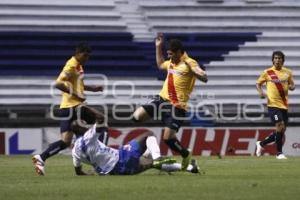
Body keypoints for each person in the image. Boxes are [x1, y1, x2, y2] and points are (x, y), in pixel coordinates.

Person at [132, 33, 208, 170]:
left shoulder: (189, 63)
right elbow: (161, 64)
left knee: (168, 138)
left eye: (171, 54)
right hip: (161, 100)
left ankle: (186, 154)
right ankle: (151, 146)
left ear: (179, 52)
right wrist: (158, 47)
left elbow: (204, 77)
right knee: (137, 116)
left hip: (177, 106)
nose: (169, 56)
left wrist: (197, 73)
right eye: (168, 53)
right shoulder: (172, 63)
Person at [32, 42, 108, 175]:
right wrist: (76, 94)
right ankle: (101, 161)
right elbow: (58, 84)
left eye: (88, 56)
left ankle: (41, 158)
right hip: (75, 106)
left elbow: (78, 85)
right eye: (85, 55)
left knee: (66, 141)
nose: (86, 59)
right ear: (77, 53)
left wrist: (92, 89)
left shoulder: (78, 66)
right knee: (102, 122)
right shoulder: (72, 64)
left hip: (66, 108)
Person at [71, 120, 200, 175]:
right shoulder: (88, 136)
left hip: (114, 172)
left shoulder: (74, 151)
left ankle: (190, 168)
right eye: (83, 123)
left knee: (150, 162)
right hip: (121, 158)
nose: (86, 124)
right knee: (148, 135)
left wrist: (88, 174)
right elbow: (100, 121)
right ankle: (158, 157)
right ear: (80, 128)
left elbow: (78, 171)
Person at [256, 51, 295, 159]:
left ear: (283, 60)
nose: (277, 60)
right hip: (273, 105)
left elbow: (292, 84)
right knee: (279, 125)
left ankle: (261, 144)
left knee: (281, 130)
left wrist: (292, 87)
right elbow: (258, 83)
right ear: (273, 60)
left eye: (279, 58)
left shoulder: (288, 72)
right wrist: (261, 93)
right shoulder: (267, 72)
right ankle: (279, 153)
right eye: (275, 58)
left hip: (284, 105)